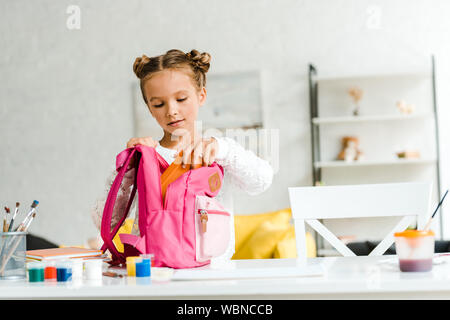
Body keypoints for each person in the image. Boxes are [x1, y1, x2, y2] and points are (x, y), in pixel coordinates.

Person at [91, 49, 273, 264]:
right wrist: (127, 172)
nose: (171, 111)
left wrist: (223, 149)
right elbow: (104, 220)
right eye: (158, 104)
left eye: (181, 99)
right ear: (149, 108)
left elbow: (261, 181)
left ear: (201, 96)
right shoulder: (146, 156)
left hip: (214, 270)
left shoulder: (219, 152)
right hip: (154, 271)